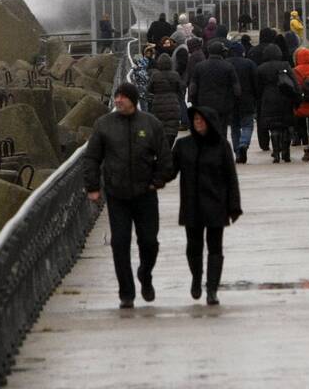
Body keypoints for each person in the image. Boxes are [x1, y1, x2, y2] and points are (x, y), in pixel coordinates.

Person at [84, 83, 173, 308]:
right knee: (120, 243)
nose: (118, 100)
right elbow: (92, 158)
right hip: (117, 195)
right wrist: (92, 186)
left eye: (123, 97)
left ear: (133, 100)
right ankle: (127, 292)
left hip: (145, 194)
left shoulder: (150, 124)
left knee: (149, 242)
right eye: (116, 96)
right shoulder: (104, 125)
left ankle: (145, 274)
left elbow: (165, 157)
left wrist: (158, 180)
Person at [171, 106, 242, 306]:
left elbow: (231, 178)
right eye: (195, 120)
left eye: (202, 120)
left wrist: (234, 206)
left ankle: (212, 290)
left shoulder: (222, 146)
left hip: (216, 204)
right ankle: (196, 277)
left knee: (215, 248)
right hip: (191, 205)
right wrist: (150, 178)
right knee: (193, 247)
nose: (198, 123)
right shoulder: (183, 145)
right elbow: (169, 170)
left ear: (210, 122)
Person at [187, 40, 241, 133]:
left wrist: (194, 102)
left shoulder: (199, 66)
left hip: (204, 103)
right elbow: (236, 88)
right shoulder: (228, 66)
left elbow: (193, 88)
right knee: (222, 129)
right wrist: (234, 101)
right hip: (223, 104)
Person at [256, 43, 297, 163]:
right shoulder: (285, 65)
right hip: (285, 98)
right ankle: (286, 152)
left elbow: (258, 88)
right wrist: (298, 97)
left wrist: (259, 101)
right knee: (284, 126)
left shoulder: (261, 68)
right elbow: (294, 81)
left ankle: (276, 152)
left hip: (268, 99)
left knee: (273, 126)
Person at [227, 41, 259, 163]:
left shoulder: (226, 63)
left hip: (231, 101)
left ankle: (237, 152)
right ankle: (244, 143)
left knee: (234, 127)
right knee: (247, 124)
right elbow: (255, 82)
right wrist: (256, 98)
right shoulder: (249, 64)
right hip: (247, 99)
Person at [148, 53, 184, 142]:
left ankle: (161, 149)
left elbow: (149, 89)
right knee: (172, 127)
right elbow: (180, 89)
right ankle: (169, 147)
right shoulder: (175, 75)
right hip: (173, 105)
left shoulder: (155, 75)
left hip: (158, 105)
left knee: (159, 127)